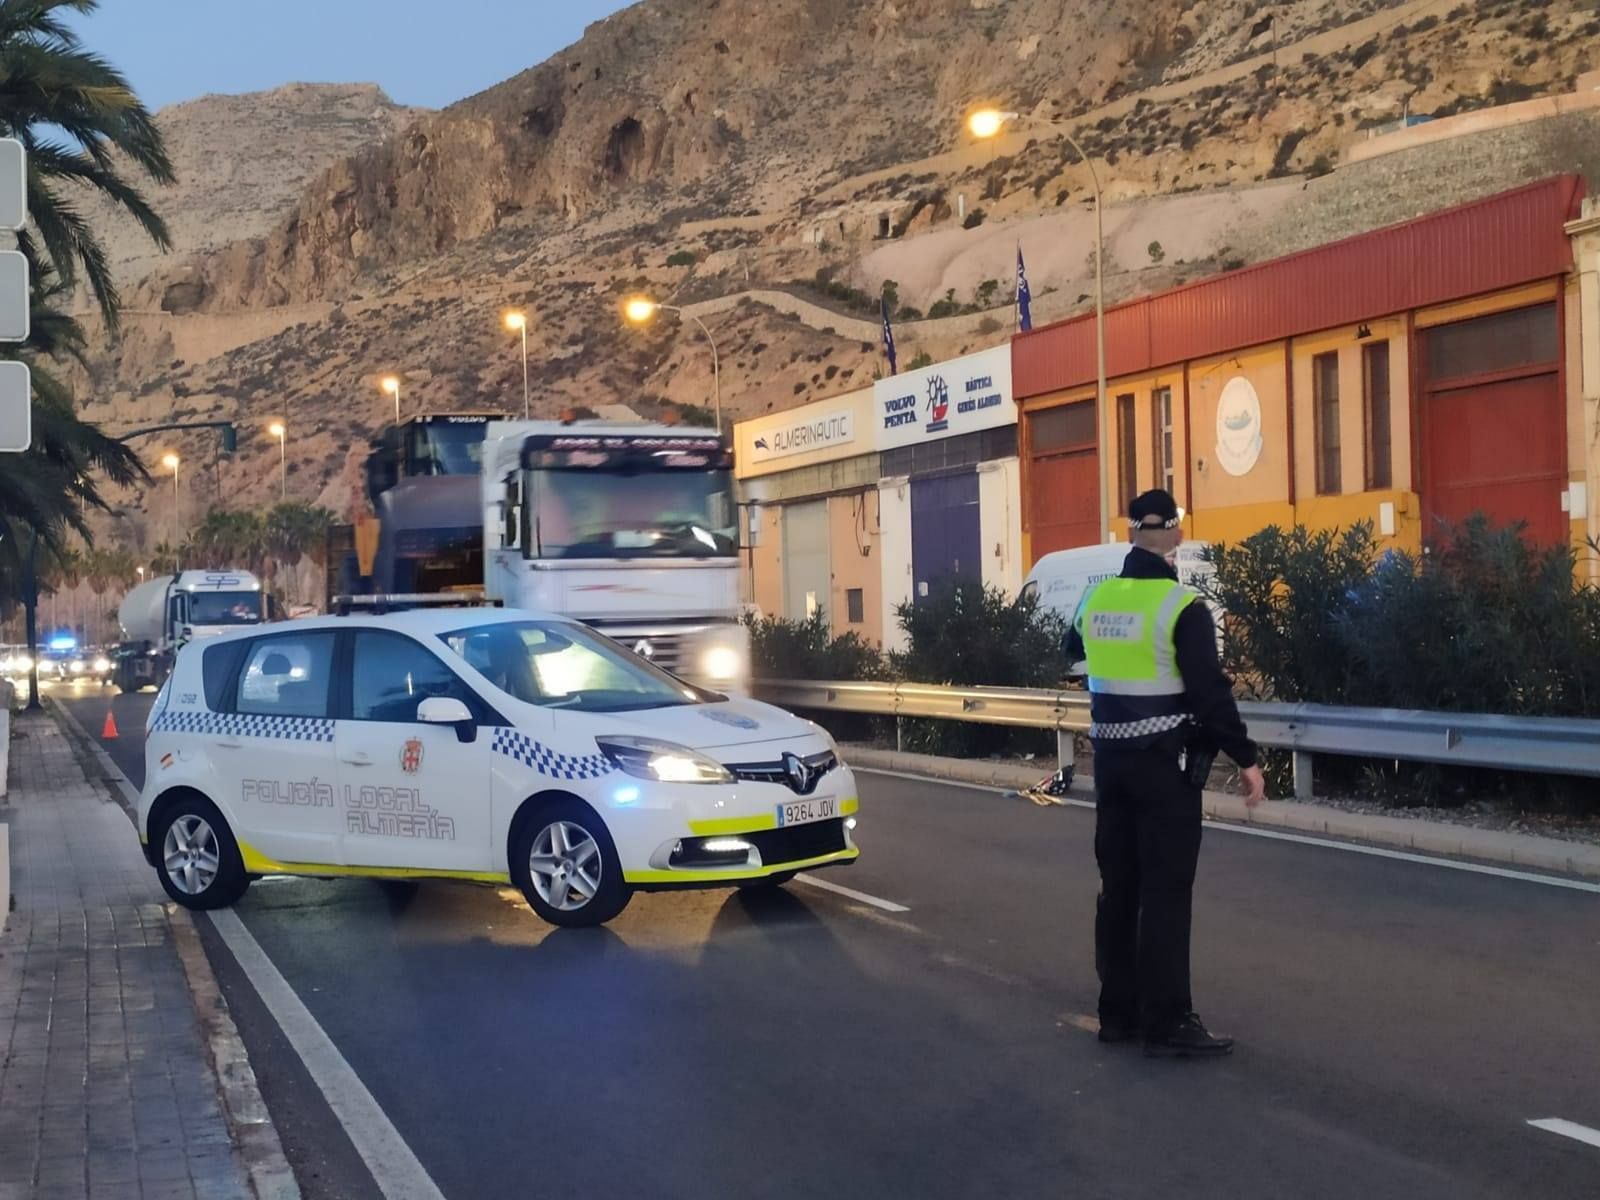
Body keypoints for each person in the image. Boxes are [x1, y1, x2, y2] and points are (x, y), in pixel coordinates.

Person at [1066, 488, 1266, 1058]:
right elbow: (1210, 695)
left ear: (1131, 533)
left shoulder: (1095, 599)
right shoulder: (1182, 608)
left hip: (1111, 768)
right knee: (1167, 893)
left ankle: (1117, 1014)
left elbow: (1070, 647)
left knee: (1120, 887)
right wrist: (1247, 760)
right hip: (1166, 769)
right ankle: (1169, 1018)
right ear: (1175, 534)